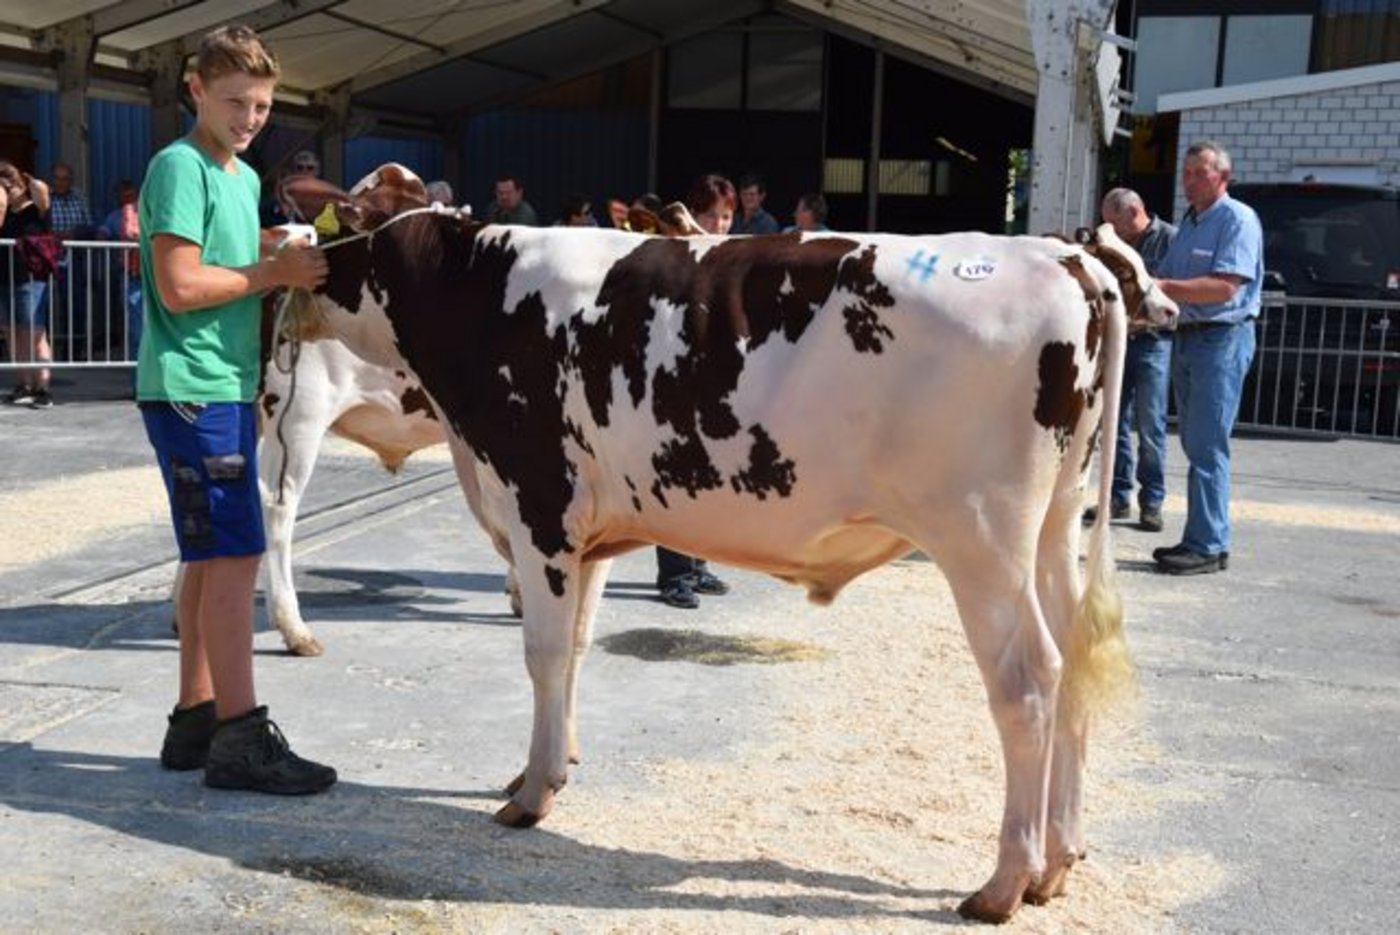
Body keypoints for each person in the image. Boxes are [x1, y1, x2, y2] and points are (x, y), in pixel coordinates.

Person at [138, 24, 336, 793]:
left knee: (205, 555)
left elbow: (222, 251)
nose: (249, 118)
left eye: (260, 105)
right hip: (192, 385)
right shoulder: (179, 166)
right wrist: (271, 272)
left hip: (219, 383)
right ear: (195, 89)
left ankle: (195, 716)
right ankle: (240, 736)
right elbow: (180, 284)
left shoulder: (239, 175)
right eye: (234, 102)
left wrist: (272, 246)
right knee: (235, 554)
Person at [1152, 140, 1263, 576]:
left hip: (1221, 340)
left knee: (1208, 446)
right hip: (1190, 338)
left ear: (1223, 177)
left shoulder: (1238, 219)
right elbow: (1172, 275)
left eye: (1200, 173)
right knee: (1197, 443)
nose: (1190, 181)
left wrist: (1162, 287)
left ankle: (1209, 545)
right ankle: (1200, 536)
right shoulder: (1192, 221)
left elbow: (1224, 288)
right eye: (1186, 173)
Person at [650, 173, 738, 610]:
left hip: (715, 374)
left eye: (726, 217)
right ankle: (674, 574)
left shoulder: (729, 253)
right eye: (710, 216)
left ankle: (697, 563)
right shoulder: (673, 254)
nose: (719, 225)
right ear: (693, 214)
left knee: (708, 477)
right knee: (678, 473)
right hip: (676, 373)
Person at [1083, 187, 1177, 533]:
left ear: (1136, 212)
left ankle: (1152, 502)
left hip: (1153, 342)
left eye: (1115, 223)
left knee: (1150, 427)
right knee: (1114, 424)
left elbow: (1170, 292)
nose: (1110, 230)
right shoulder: (1113, 243)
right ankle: (1117, 498)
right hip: (1120, 341)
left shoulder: (1171, 240)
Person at [0, 161, 53, 408]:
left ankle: (43, 389)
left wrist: (29, 182)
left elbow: (43, 194)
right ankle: (24, 385)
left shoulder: (35, 209)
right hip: (5, 279)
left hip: (31, 280)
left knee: (35, 334)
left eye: (7, 187)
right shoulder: (4, 212)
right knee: (12, 334)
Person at [98, 179, 144, 363]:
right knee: (135, 326)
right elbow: (105, 231)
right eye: (123, 195)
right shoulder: (118, 215)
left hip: (153, 274)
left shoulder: (152, 209)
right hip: (130, 272)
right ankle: (137, 374)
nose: (127, 198)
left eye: (130, 194)